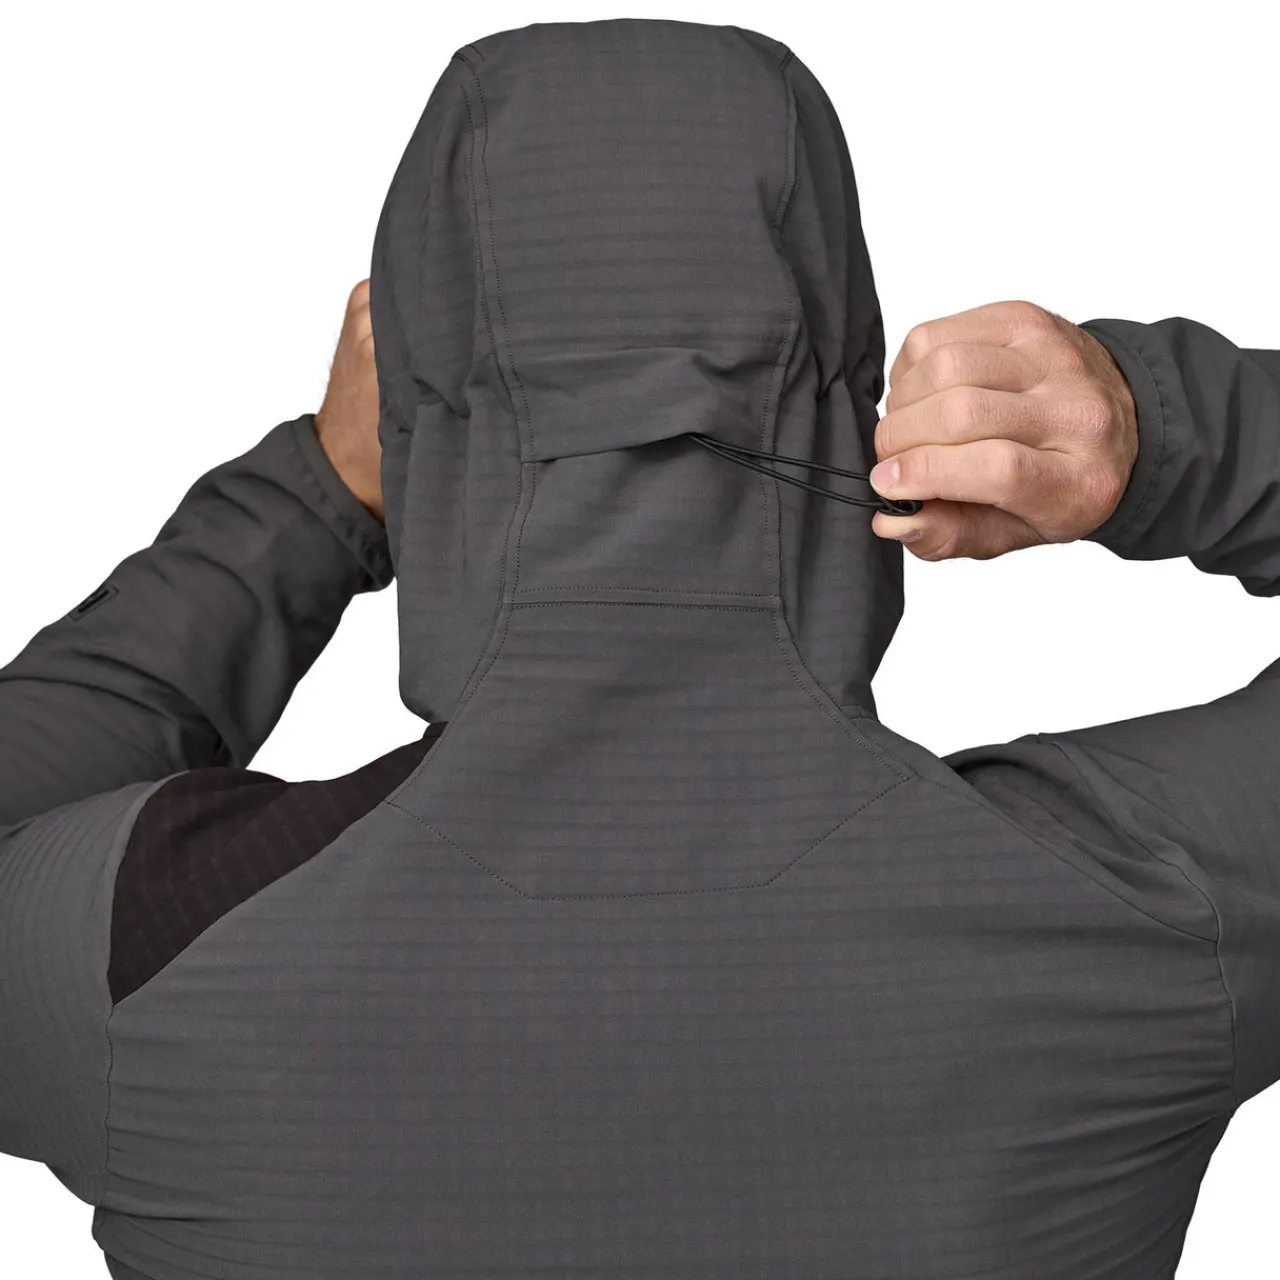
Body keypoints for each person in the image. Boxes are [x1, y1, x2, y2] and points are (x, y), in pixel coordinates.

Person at [1, 18, 1276, 1280]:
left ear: (422, 427)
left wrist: (313, 495)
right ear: (852, 406)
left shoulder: (148, 947)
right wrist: (1153, 438)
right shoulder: (1133, 910)